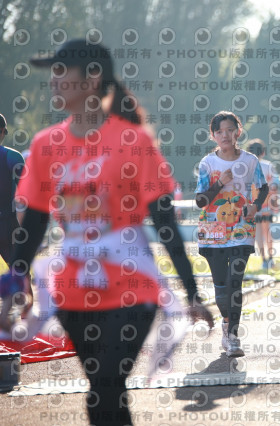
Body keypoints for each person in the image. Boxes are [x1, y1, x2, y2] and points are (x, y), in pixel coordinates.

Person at [0, 39, 213, 425]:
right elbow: (33, 224)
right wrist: (13, 283)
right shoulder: (46, 145)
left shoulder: (133, 141)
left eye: (62, 72)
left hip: (132, 284)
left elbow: (165, 223)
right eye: (53, 73)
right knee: (103, 395)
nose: (54, 81)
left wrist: (192, 292)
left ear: (92, 79)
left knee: (108, 386)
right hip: (74, 289)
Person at [195, 112, 268, 358]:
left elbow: (263, 187)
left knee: (235, 282)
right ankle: (226, 324)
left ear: (238, 131)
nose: (225, 135)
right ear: (213, 135)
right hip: (213, 232)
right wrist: (219, 183)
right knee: (221, 288)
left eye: (229, 130)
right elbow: (200, 201)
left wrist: (255, 205)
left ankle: (233, 336)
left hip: (241, 229)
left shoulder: (250, 161)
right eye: (219, 132)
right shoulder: (208, 164)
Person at [247, 139, 280, 270]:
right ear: (263, 152)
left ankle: (264, 260)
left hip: (254, 205)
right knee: (268, 231)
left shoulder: (247, 167)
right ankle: (271, 258)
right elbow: (275, 185)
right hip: (267, 204)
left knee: (258, 233)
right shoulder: (268, 166)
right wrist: (275, 203)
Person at [0, 113, 25, 265]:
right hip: (7, 224)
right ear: (3, 131)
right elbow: (28, 195)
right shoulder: (12, 156)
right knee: (19, 271)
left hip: (7, 223)